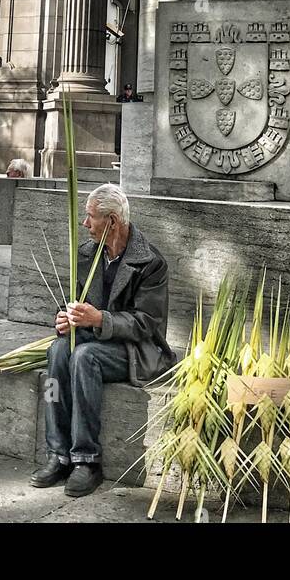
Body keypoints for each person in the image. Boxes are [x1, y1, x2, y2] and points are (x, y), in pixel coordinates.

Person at [31, 184, 176, 498]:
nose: (85, 224)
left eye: (91, 217)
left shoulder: (150, 262)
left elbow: (147, 323)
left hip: (135, 350)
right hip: (94, 339)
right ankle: (57, 453)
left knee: (85, 357)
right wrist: (64, 318)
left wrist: (100, 319)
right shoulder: (88, 253)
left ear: (112, 222)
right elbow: (74, 299)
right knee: (58, 350)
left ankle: (87, 459)